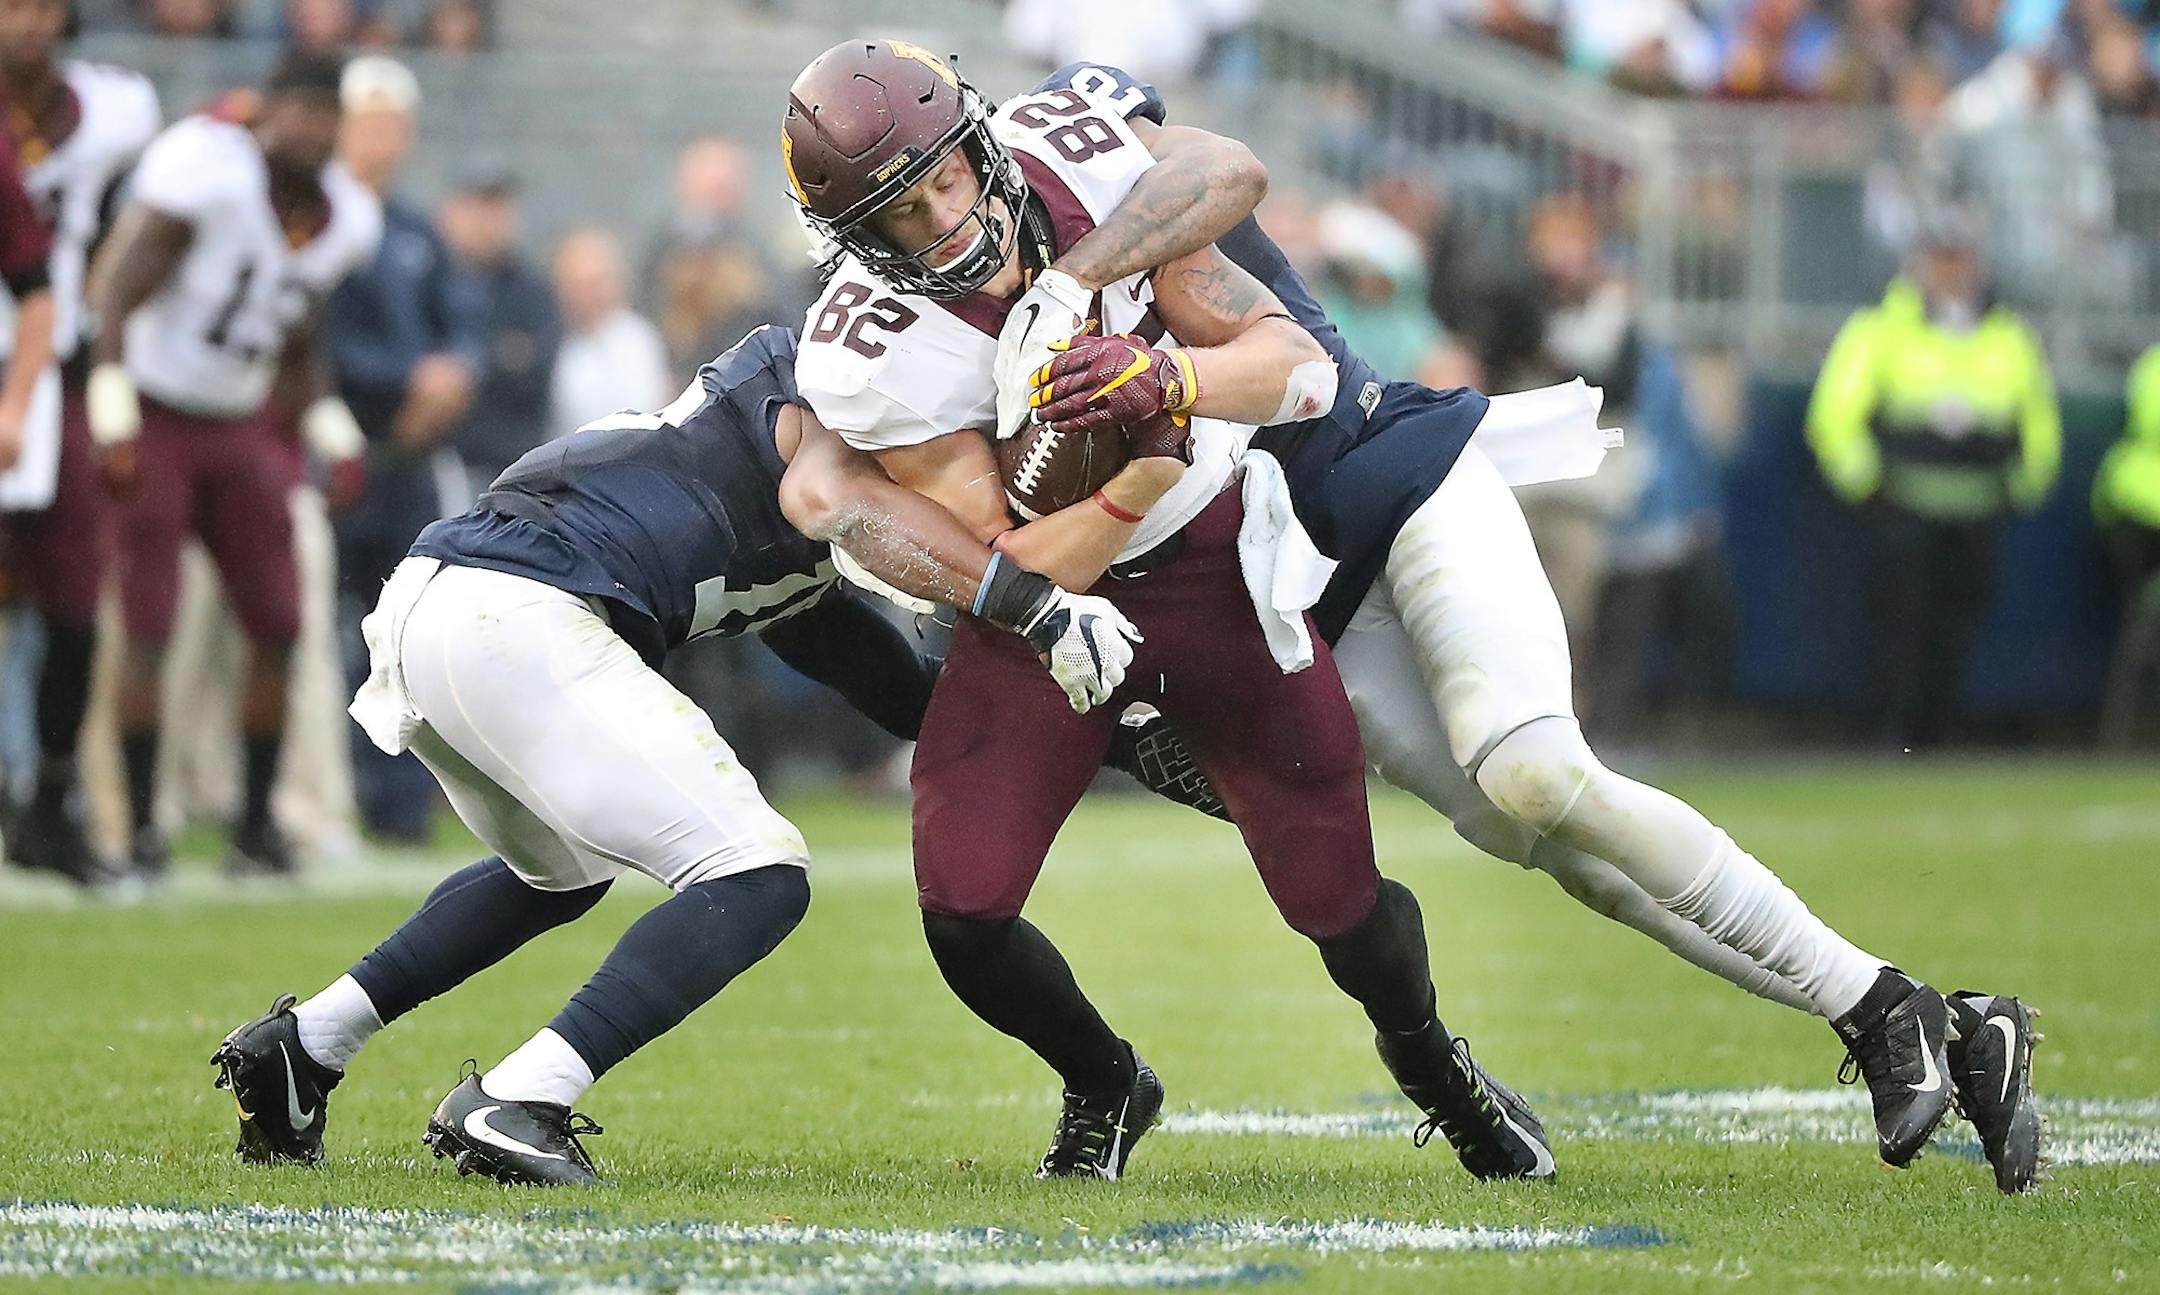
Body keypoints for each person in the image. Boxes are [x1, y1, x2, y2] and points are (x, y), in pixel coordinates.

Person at [1035, 60, 2041, 1194]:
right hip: (1303, 587)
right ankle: (1936, 1021)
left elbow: (1222, 180)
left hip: (1395, 480)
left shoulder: (1128, 222)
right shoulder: (973, 324)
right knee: (1571, 857)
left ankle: (1880, 1010)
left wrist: (1086, 292)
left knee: (1533, 769)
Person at [786, 40, 1555, 1185]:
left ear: (980, 145)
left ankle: (1431, 1059)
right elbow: (1010, 547)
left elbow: (1298, 367)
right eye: (903, 214)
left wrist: (1165, 379)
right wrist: (1126, 474)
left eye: (950, 176)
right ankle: (1104, 1078)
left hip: (1214, 565)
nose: (946, 219)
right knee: (963, 908)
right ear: (858, 241)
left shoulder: (1077, 174)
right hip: (1043, 613)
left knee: (1338, 897)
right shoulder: (872, 354)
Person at [208, 324, 1178, 1185]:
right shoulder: (830, 410)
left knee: (561, 867)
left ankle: (307, 1042)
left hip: (447, 601)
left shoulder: (793, 473)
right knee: (759, 871)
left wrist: (1097, 742)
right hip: (524, 608)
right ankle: (521, 1096)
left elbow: (867, 667)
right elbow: (846, 500)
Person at [85, 52, 379, 877]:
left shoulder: (344, 215)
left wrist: (332, 430)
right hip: (156, 412)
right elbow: (110, 292)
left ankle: (256, 826)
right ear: (266, 112)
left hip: (242, 421)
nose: (315, 132)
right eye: (303, 112)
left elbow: (299, 331)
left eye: (330, 116)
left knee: (280, 625)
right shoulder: (206, 172)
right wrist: (111, 415)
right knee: (147, 627)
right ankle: (140, 826)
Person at [0, 0, 160, 886]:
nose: (27, 22)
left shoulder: (110, 111)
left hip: (46, 368)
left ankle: (51, 798)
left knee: (71, 596)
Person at [1807, 217, 2060, 749]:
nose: (1950, 270)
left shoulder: (2009, 334)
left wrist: (2024, 483)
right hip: (1905, 503)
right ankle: (1889, 732)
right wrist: (1868, 485)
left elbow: (2038, 419)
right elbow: (1834, 414)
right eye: (1940, 257)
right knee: (1898, 625)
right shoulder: (1879, 329)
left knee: (1959, 626)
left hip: (1979, 506)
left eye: (1960, 257)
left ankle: (1940, 732)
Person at [326, 54, 486, 843]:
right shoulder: (318, 219)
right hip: (336, 454)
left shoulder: (416, 228)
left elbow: (463, 327)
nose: (384, 134)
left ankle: (398, 801)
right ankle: (326, 795)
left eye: (395, 119)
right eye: (369, 118)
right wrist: (408, 379)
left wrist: (451, 376)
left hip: (409, 462)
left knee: (402, 635)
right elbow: (317, 337)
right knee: (323, 630)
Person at [435, 162, 559, 494]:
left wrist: (467, 367)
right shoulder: (430, 281)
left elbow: (535, 373)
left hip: (513, 466)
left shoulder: (531, 290)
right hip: (440, 462)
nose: (489, 222)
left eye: (498, 208)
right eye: (478, 207)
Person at [548, 228, 671, 441]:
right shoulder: (552, 340)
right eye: (578, 285)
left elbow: (643, 408)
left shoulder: (637, 339)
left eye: (596, 283)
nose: (588, 296)